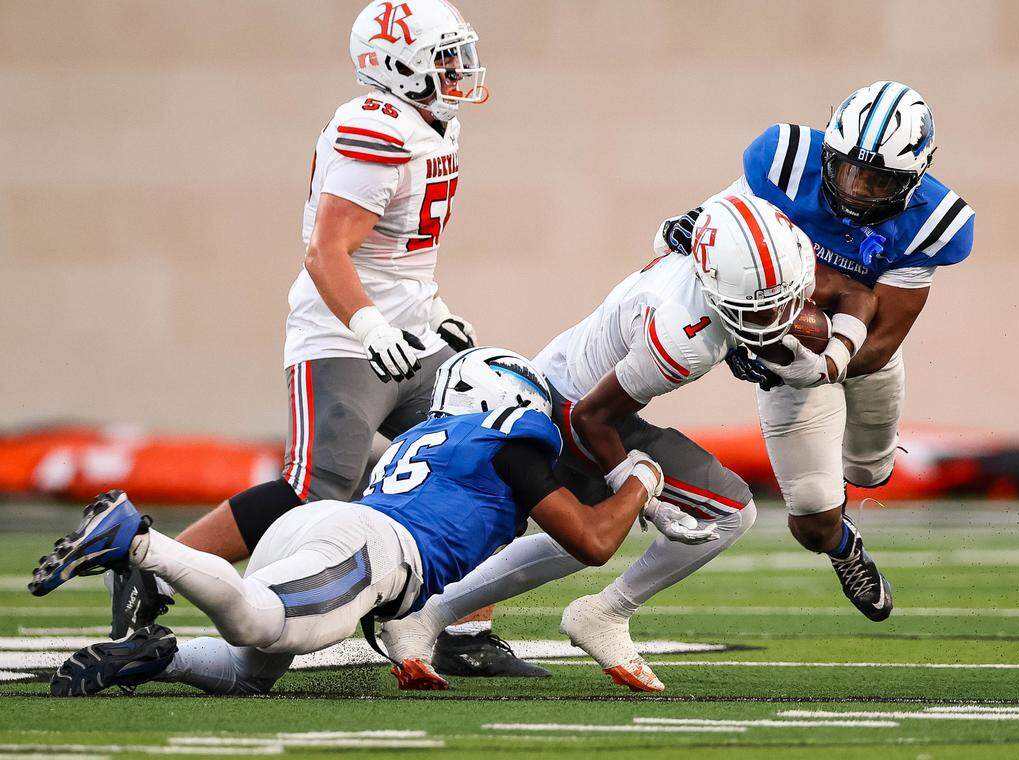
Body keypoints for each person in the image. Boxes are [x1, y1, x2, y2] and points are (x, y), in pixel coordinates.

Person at [108, 0, 543, 678]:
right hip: (344, 333)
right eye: (445, 57)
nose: (460, 69)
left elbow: (403, 254)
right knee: (317, 489)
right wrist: (371, 328)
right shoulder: (374, 129)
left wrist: (436, 314)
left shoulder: (432, 124)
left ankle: (464, 631)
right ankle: (154, 569)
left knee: (485, 451)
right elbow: (327, 252)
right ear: (397, 66)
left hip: (415, 329)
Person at [381, 193, 878, 692]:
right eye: (755, 311)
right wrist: (641, 492)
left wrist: (835, 357)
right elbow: (593, 417)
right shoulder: (685, 332)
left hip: (580, 387)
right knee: (723, 512)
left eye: (782, 302)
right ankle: (604, 613)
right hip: (571, 407)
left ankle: (428, 616)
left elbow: (859, 293)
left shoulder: (774, 263)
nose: (775, 321)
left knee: (583, 536)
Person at [30, 349, 695, 696]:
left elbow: (403, 593)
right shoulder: (509, 440)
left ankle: (153, 655)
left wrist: (410, 651)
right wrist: (641, 478)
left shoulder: (424, 444)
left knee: (250, 672)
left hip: (333, 533)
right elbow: (593, 540)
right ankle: (139, 540)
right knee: (260, 622)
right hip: (365, 550)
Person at [657, 81, 976, 622]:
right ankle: (845, 546)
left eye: (877, 179)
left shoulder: (932, 222)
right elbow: (712, 244)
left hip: (859, 349)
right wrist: (763, 345)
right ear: (827, 151)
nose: (855, 188)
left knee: (872, 474)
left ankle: (866, 459)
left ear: (913, 179)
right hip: (784, 340)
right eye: (848, 169)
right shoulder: (782, 161)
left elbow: (880, 342)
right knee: (810, 519)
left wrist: (814, 364)